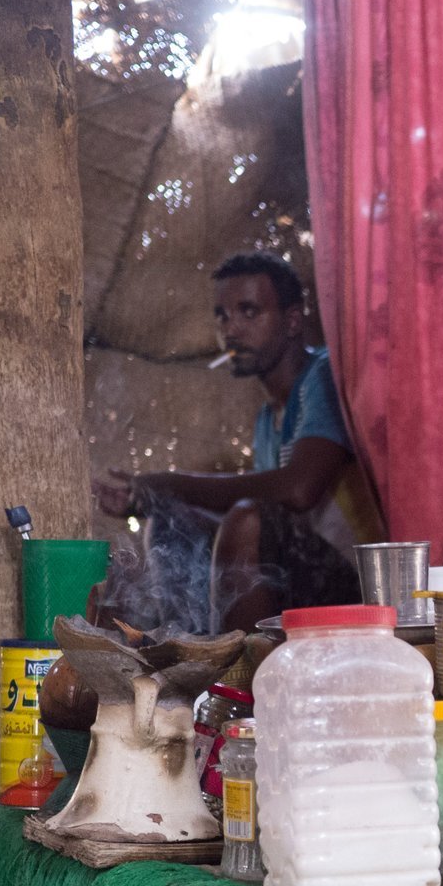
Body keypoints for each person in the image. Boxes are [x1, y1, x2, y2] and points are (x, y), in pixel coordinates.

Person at [96, 252, 363, 633]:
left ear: (291, 321)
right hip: (298, 576)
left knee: (245, 516)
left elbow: (300, 489)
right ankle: (188, 654)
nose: (231, 330)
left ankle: (237, 669)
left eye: (249, 312)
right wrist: (158, 498)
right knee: (170, 518)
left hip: (353, 584)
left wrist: (172, 483)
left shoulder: (322, 376)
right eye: (222, 315)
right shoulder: (267, 418)